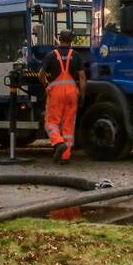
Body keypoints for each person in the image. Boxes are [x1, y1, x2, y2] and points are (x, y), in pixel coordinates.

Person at [38, 30, 86, 164]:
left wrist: (47, 86)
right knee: (68, 125)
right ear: (71, 40)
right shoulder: (76, 56)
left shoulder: (51, 55)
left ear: (60, 39)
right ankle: (65, 157)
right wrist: (82, 94)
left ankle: (58, 143)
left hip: (56, 93)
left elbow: (41, 74)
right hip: (72, 93)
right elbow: (82, 77)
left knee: (51, 123)